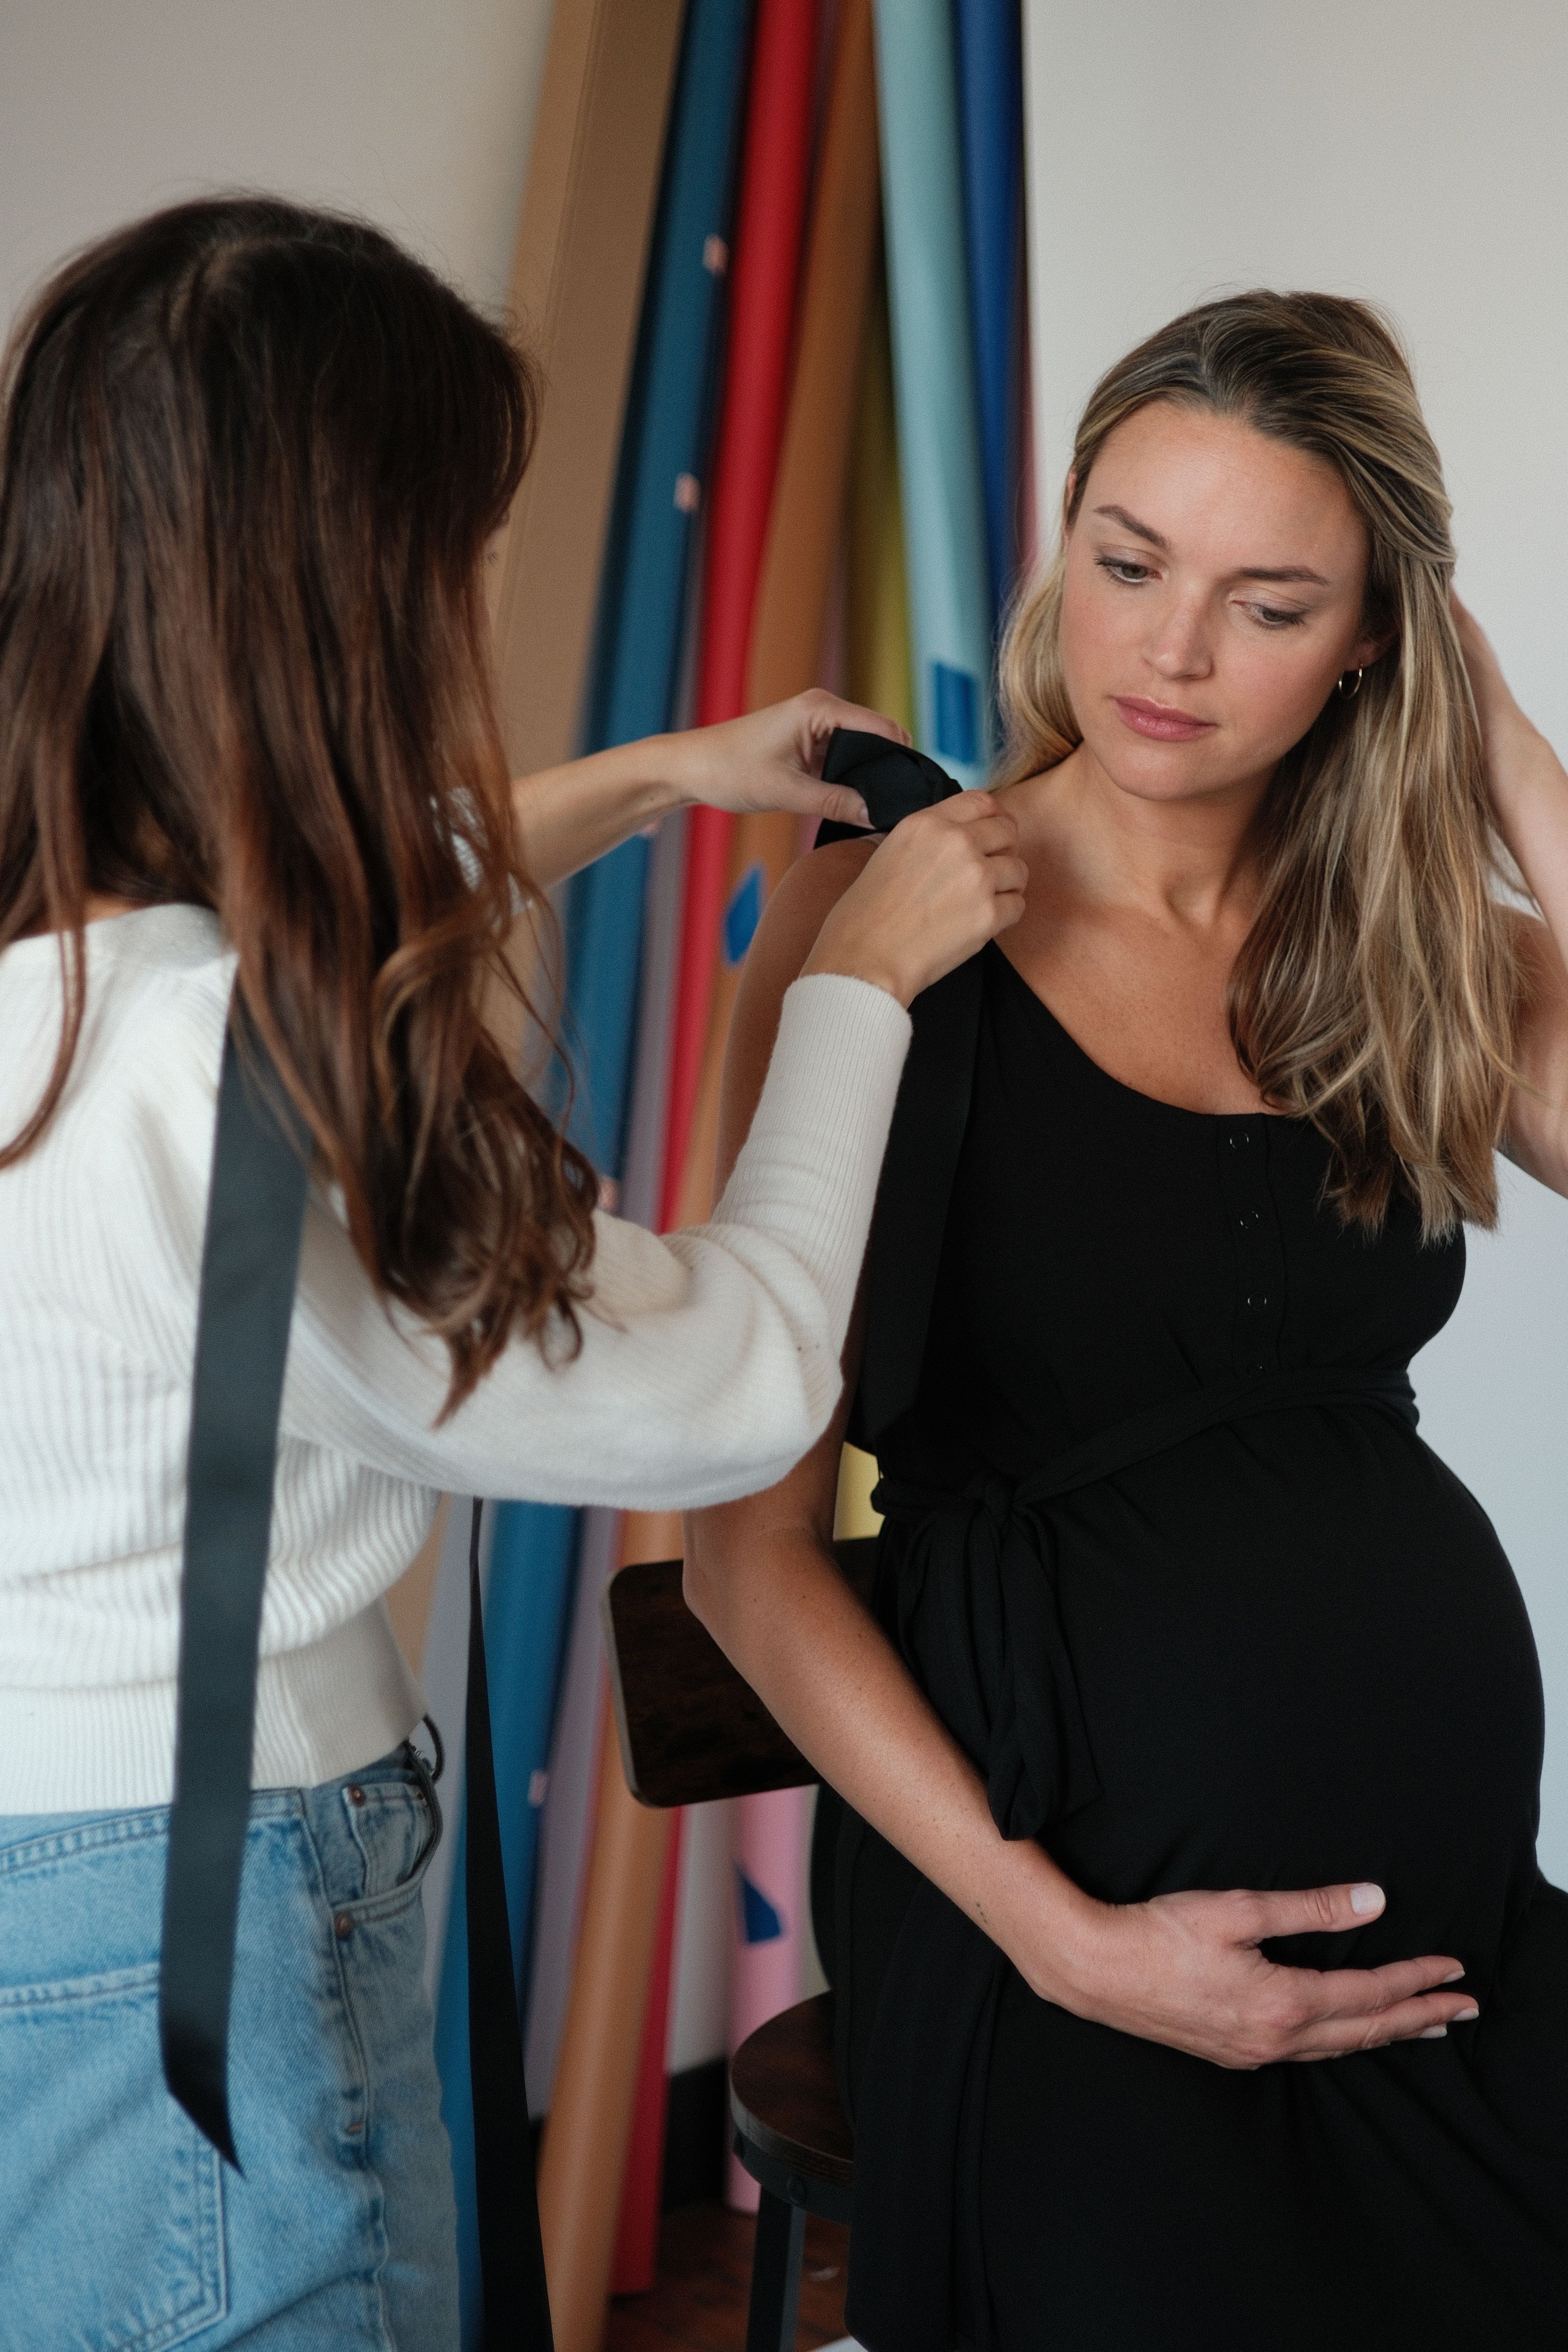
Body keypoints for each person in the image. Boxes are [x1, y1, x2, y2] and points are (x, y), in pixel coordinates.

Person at [0, 197, 1026, 2351]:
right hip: (214, 1896)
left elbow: (300, 901)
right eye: (457, 561)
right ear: (346, 616)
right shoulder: (250, 1082)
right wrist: (856, 987)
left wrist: (658, 780)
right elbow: (738, 1381)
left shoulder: (65, 969)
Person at [685, 291, 1568, 2349]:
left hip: (1445, 1950)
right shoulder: (878, 914)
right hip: (1046, 1922)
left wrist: (1509, 761)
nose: (1169, 654)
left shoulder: (1420, 942)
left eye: (1270, 603)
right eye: (1128, 561)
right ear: (1063, 543)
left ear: (1380, 637)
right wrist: (1065, 1945)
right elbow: (743, 1560)